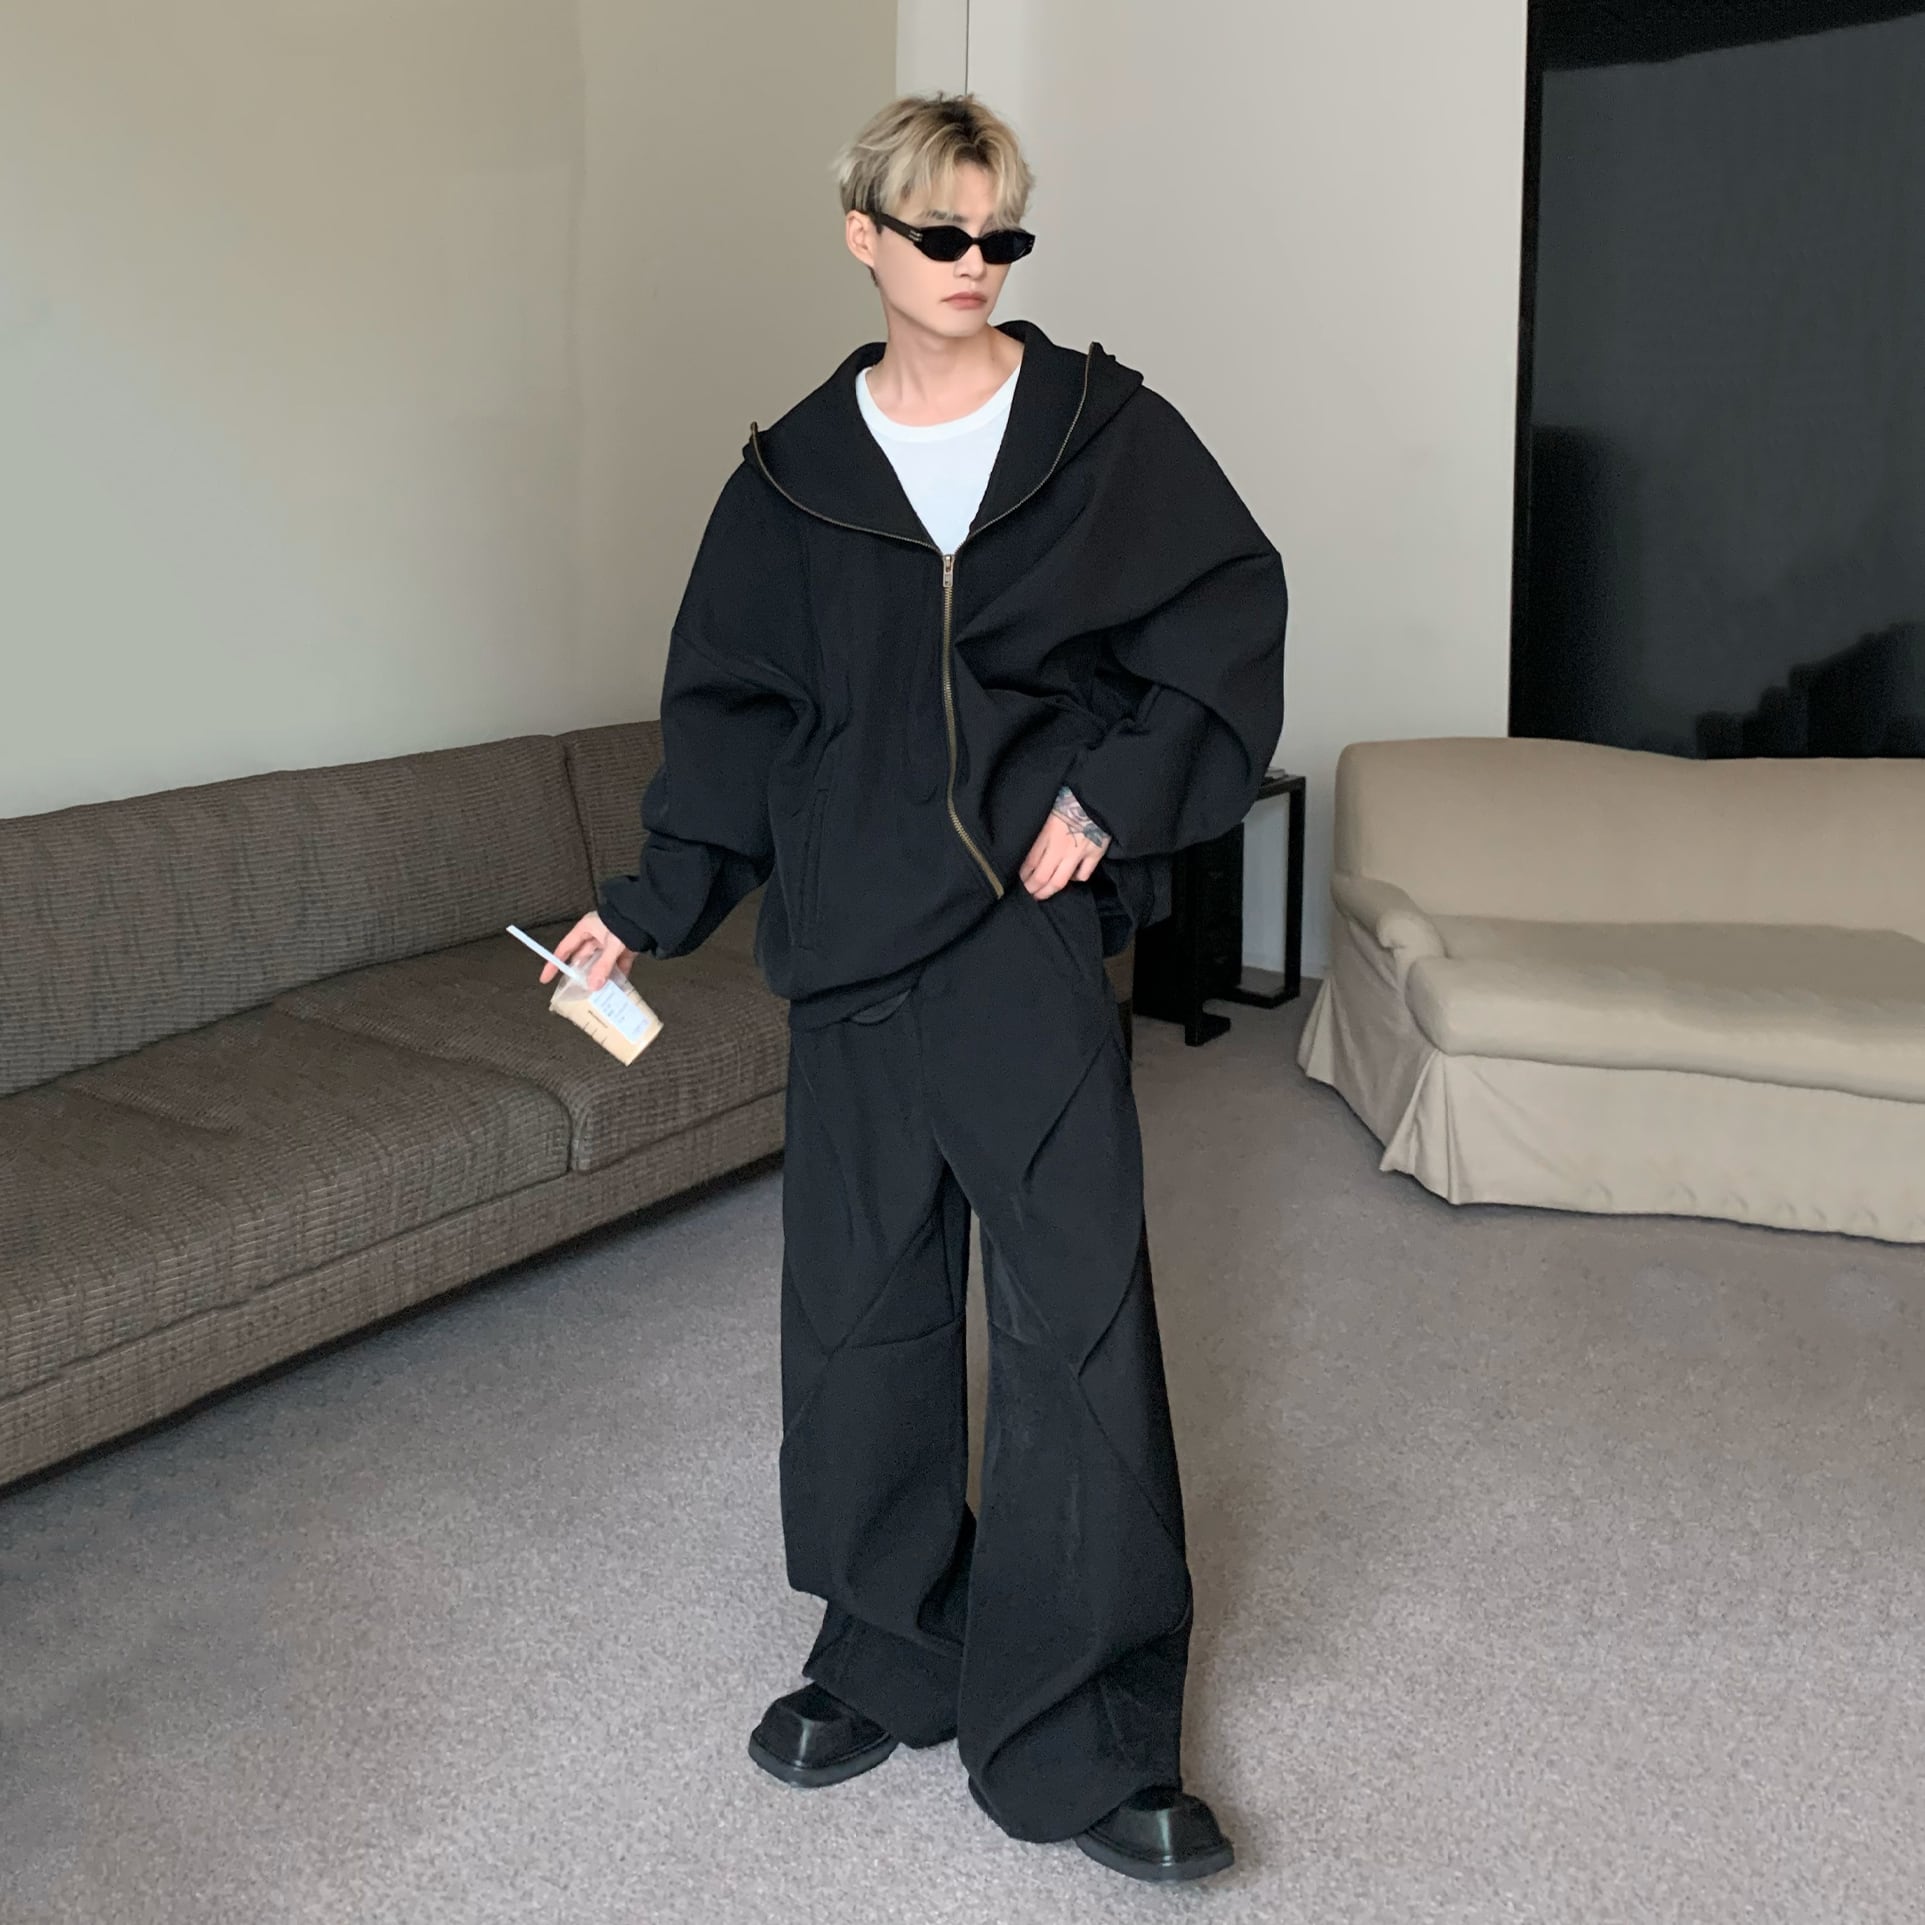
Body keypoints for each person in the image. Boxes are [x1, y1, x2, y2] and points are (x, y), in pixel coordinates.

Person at [541, 92, 1287, 1884]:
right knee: (860, 1311)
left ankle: (1091, 1723)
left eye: (1000, 234)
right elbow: (729, 716)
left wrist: (1105, 800)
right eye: (940, 232)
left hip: (1023, 939)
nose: (975, 264)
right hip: (856, 946)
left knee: (1074, 1315)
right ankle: (888, 1642)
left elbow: (1224, 624)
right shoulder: (790, 475)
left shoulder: (1103, 432)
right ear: (864, 237)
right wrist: (643, 908)